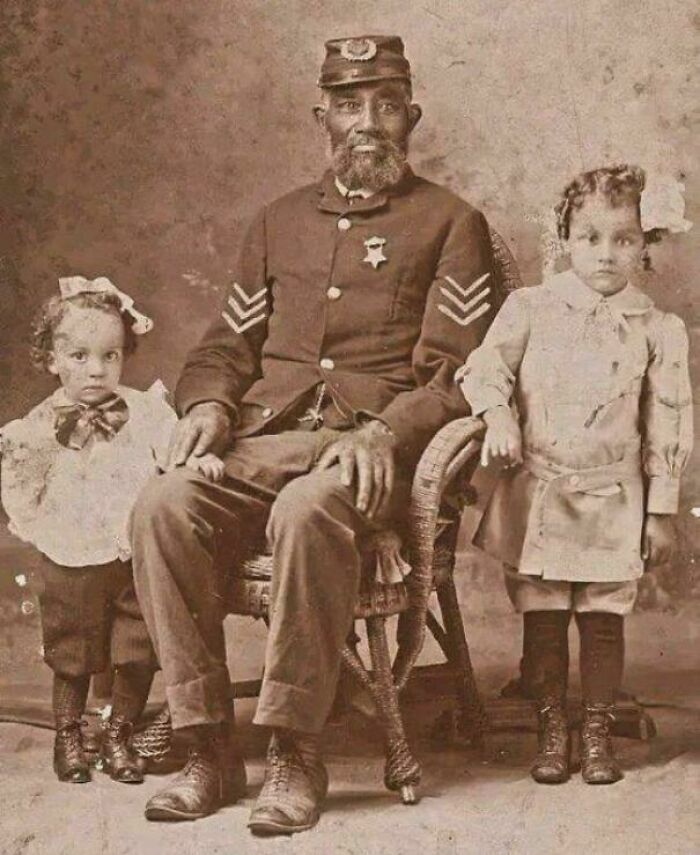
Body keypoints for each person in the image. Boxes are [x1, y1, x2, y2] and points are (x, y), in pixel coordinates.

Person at [131, 35, 503, 833]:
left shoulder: (451, 222)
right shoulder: (277, 222)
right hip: (267, 438)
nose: (366, 122)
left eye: (385, 104)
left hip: (372, 457)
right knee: (163, 502)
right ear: (320, 117)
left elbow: (454, 374)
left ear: (412, 115)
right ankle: (207, 742)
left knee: (307, 508)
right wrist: (210, 406)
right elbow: (228, 345)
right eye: (347, 104)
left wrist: (380, 434)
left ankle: (295, 748)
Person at [457, 165, 693, 785]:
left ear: (645, 244)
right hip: (541, 490)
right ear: (565, 237)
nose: (606, 254)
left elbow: (668, 420)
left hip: (614, 495)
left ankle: (596, 732)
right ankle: (550, 729)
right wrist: (498, 418)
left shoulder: (658, 330)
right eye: (590, 238)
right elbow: (485, 370)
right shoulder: (530, 308)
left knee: (602, 616)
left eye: (623, 239)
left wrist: (661, 510)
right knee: (543, 616)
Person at [0, 277, 184, 785]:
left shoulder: (144, 412)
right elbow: (16, 476)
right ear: (52, 359)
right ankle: (69, 735)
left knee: (136, 646)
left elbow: (173, 455)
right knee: (73, 648)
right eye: (79, 356)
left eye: (110, 355)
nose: (96, 370)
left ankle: (120, 733)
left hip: (129, 553)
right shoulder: (38, 425)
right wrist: (43, 527)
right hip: (71, 551)